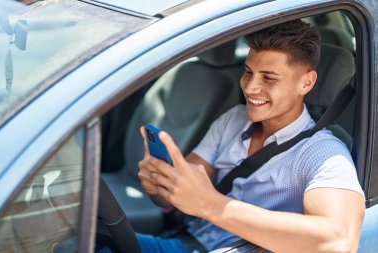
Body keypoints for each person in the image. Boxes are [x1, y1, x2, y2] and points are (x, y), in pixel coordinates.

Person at [137, 19, 365, 253]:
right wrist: (159, 185)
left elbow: (338, 242)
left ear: (306, 83)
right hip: (185, 241)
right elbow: (176, 193)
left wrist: (211, 205)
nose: (250, 87)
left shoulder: (323, 152)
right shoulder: (233, 119)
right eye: (248, 72)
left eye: (269, 78)